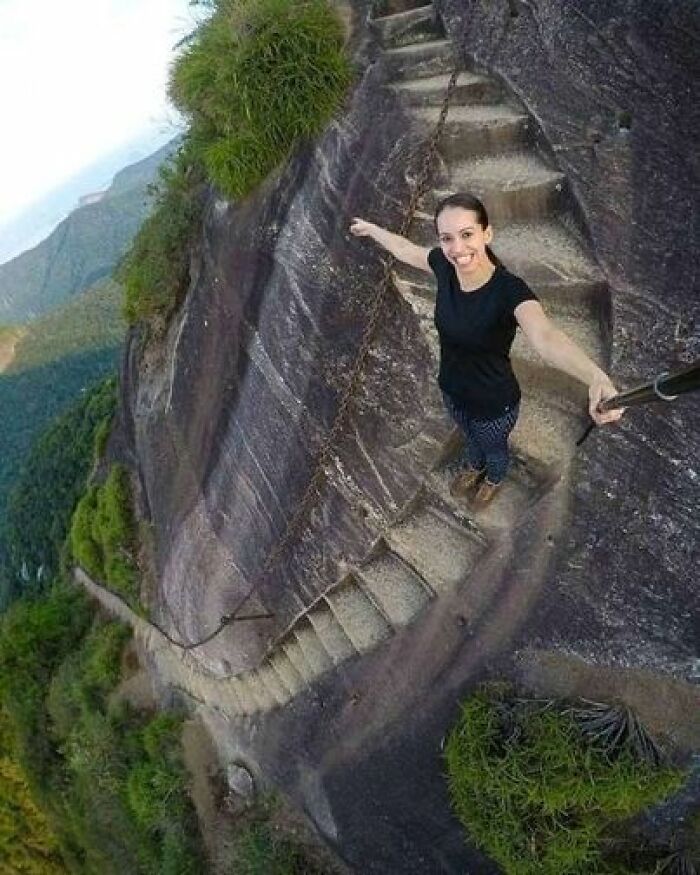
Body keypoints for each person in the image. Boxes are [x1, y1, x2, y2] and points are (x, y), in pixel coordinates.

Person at [349, 192, 623, 508]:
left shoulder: (509, 291)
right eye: (447, 238)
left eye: (467, 235)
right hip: (452, 392)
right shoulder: (443, 265)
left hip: (495, 405)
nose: (457, 248)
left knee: (494, 448)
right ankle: (474, 466)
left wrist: (595, 376)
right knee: (470, 439)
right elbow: (405, 249)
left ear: (486, 233)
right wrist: (372, 229)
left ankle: (493, 477)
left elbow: (546, 338)